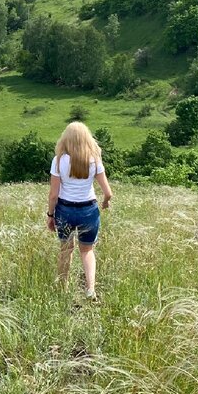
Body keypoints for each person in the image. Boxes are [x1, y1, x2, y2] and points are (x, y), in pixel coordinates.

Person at [47, 121, 113, 299]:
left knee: (65, 250)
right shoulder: (94, 159)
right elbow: (108, 193)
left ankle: (62, 288)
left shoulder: (59, 160)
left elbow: (53, 195)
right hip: (89, 210)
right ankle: (90, 289)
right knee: (87, 251)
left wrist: (50, 215)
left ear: (65, 139)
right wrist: (105, 203)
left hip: (65, 210)